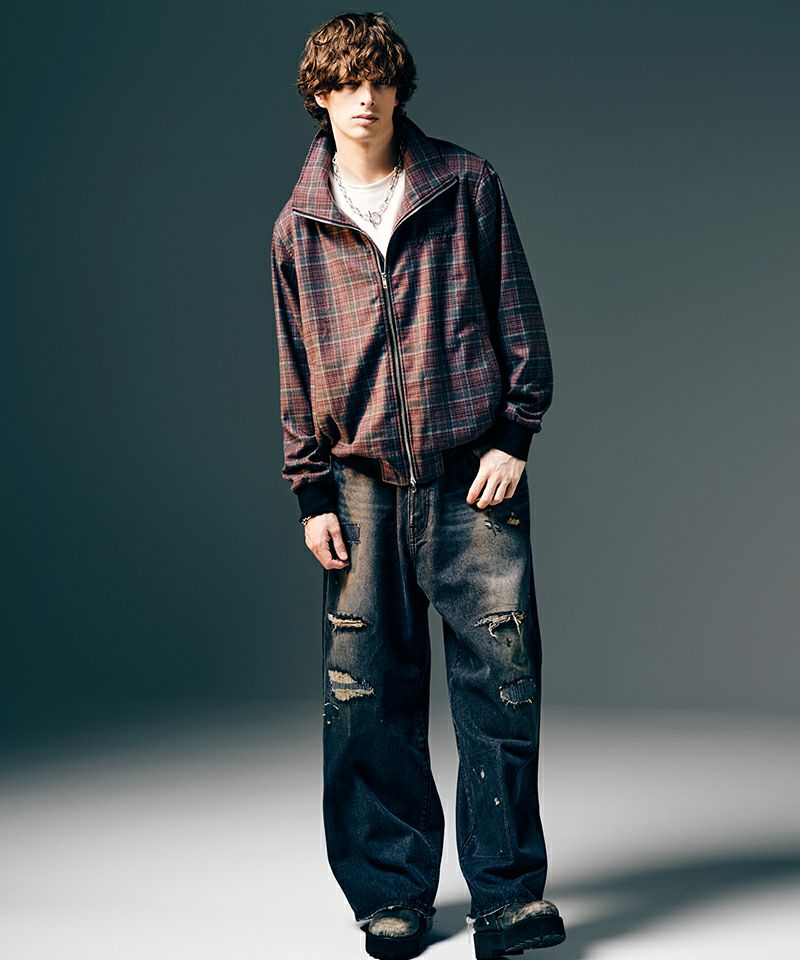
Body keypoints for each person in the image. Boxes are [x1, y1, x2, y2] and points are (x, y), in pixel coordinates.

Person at [270, 11, 566, 959]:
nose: (363, 98)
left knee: (502, 687)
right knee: (364, 698)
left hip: (472, 476)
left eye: (378, 79)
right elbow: (295, 369)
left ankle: (508, 898)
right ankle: (391, 895)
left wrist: (515, 434)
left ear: (399, 87)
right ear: (319, 96)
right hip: (357, 486)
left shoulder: (466, 185)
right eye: (344, 82)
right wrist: (310, 492)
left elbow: (516, 311)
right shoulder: (298, 227)